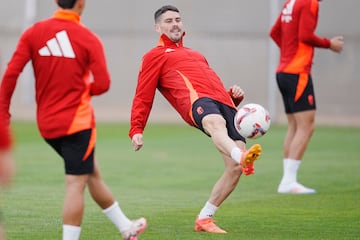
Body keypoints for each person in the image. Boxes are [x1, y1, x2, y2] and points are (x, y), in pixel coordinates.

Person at [0, 0, 147, 239]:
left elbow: (11, 73)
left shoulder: (33, 32)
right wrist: (81, 86)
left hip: (46, 124)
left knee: (91, 173)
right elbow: (102, 84)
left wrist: (3, 113)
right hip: (76, 124)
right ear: (81, 4)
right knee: (76, 184)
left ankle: (125, 227)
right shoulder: (88, 38)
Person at [129, 5, 262, 234]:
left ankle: (205, 218)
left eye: (178, 19)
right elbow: (143, 94)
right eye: (169, 21)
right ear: (157, 27)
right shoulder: (154, 56)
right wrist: (136, 128)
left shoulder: (196, 54)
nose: (175, 24)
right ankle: (242, 156)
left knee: (234, 170)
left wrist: (233, 99)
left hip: (224, 104)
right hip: (197, 103)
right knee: (215, 124)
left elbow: (212, 86)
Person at [270, 0, 344, 194]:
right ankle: (288, 182)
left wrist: (289, 53)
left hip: (284, 71)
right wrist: (330, 44)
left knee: (295, 126)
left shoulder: (290, 2)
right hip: (297, 73)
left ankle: (287, 181)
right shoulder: (309, 2)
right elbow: (305, 35)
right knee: (306, 126)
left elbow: (274, 32)